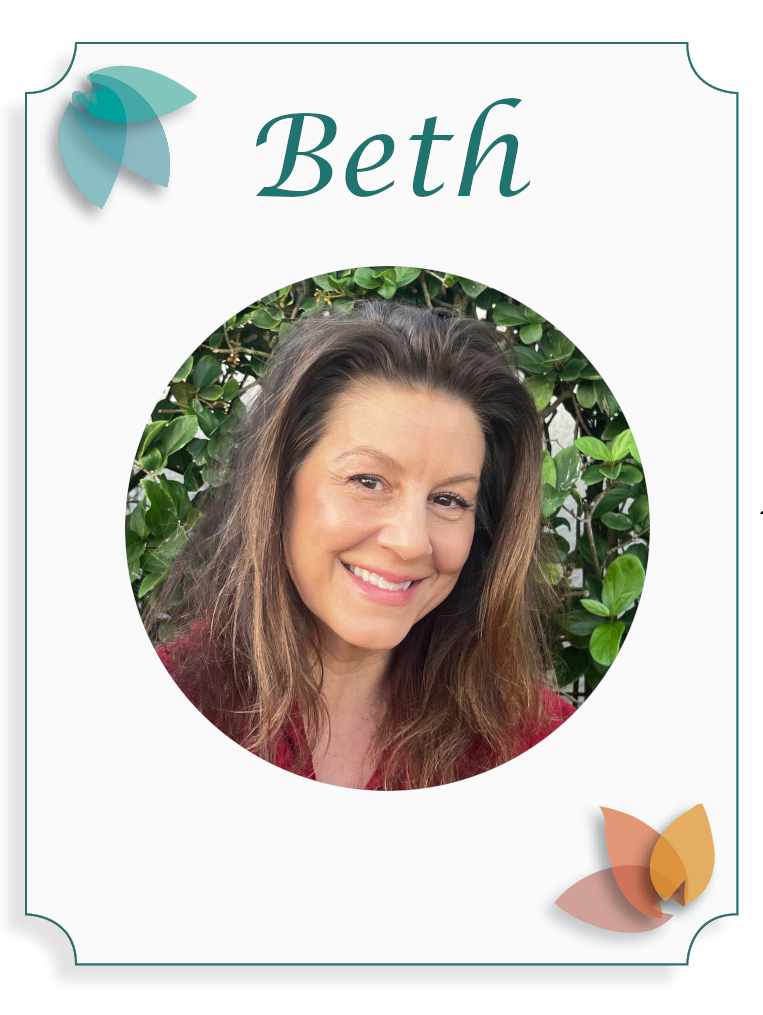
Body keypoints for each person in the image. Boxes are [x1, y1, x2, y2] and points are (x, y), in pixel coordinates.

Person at [148, 301, 575, 790]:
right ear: (278, 486)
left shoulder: (533, 740)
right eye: (368, 480)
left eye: (449, 499)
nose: (411, 541)